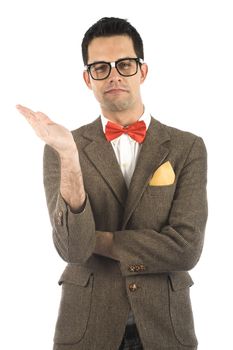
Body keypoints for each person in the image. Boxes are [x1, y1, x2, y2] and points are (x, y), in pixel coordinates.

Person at [16, 17, 208, 350]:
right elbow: (73, 249)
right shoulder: (62, 147)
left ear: (142, 72)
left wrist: (100, 239)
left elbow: (187, 248)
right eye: (101, 67)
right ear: (88, 78)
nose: (114, 74)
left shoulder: (187, 147)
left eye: (125, 64)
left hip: (165, 324)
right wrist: (69, 157)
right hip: (87, 324)